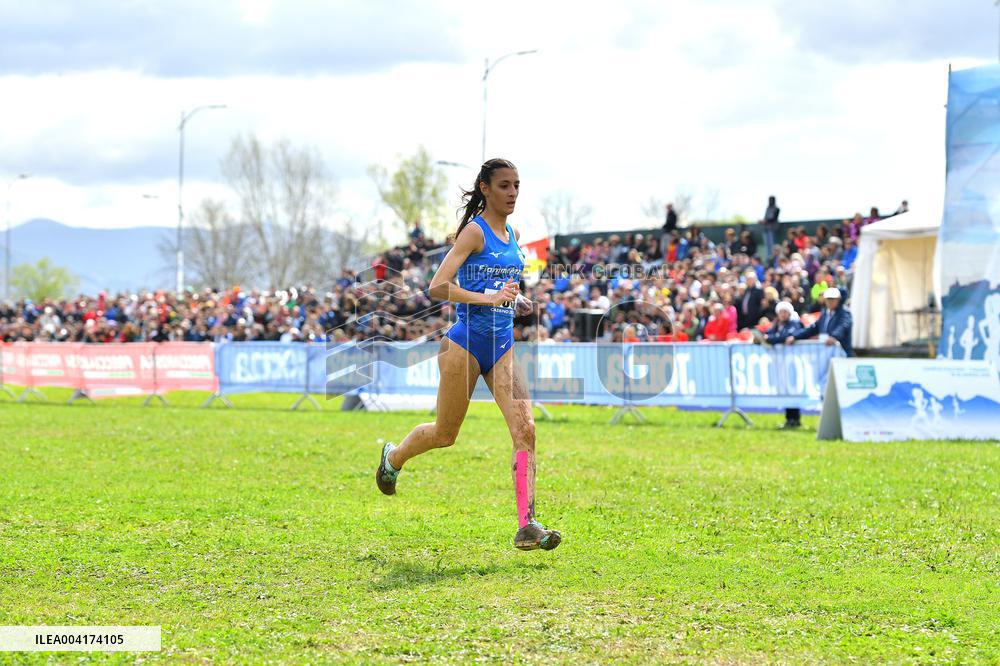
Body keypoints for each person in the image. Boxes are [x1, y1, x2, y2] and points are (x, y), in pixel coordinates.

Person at [374, 158, 561, 552]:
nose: (512, 193)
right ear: (485, 189)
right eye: (504, 185)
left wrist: (516, 300)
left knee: (526, 429)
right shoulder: (475, 232)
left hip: (502, 345)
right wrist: (488, 299)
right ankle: (394, 457)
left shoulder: (513, 234)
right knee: (445, 434)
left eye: (517, 185)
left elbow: (502, 286)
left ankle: (527, 524)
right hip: (464, 345)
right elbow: (437, 286)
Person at [765, 301, 804, 428]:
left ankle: (795, 418)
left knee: (793, 389)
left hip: (792, 362)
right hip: (781, 363)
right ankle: (789, 418)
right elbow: (769, 334)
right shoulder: (777, 325)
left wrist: (769, 339)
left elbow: (786, 336)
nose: (782, 314)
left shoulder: (794, 323)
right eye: (780, 312)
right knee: (785, 389)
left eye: (785, 312)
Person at [787, 287, 853, 356]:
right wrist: (795, 337)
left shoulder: (845, 313)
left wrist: (834, 337)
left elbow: (843, 326)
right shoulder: (824, 314)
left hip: (841, 353)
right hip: (826, 352)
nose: (830, 301)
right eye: (828, 299)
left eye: (833, 299)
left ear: (838, 299)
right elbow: (812, 329)